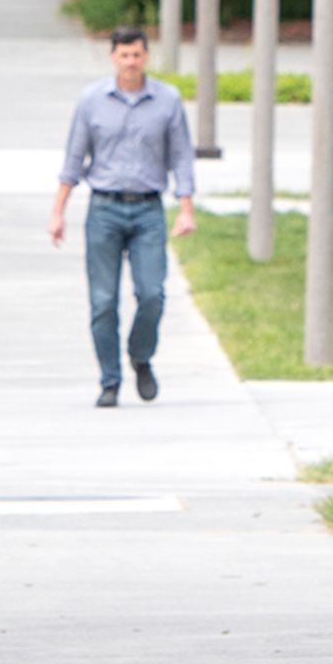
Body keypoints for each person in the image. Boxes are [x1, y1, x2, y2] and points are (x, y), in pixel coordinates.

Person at [49, 25, 199, 408]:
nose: (130, 62)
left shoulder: (167, 100)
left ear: (146, 56)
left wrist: (185, 209)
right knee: (103, 301)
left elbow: (181, 156)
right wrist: (58, 212)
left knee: (152, 294)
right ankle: (110, 380)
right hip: (104, 209)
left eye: (137, 54)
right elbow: (73, 157)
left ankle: (141, 355)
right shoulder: (92, 100)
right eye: (124, 55)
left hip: (148, 208)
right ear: (113, 57)